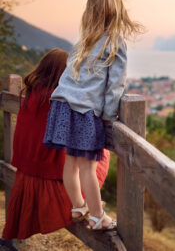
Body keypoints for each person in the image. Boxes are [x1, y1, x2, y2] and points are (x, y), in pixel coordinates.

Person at [43, 0, 144, 230]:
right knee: (88, 166)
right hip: (85, 110)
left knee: (70, 162)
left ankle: (78, 206)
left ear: (90, 12)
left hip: (62, 106)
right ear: (117, 12)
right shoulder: (115, 43)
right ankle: (98, 216)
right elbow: (115, 85)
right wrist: (109, 117)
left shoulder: (81, 42)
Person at [2, 49, 111, 240]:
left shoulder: (30, 94)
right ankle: (87, 204)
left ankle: (86, 204)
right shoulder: (60, 100)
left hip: (28, 168)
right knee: (99, 155)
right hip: (51, 175)